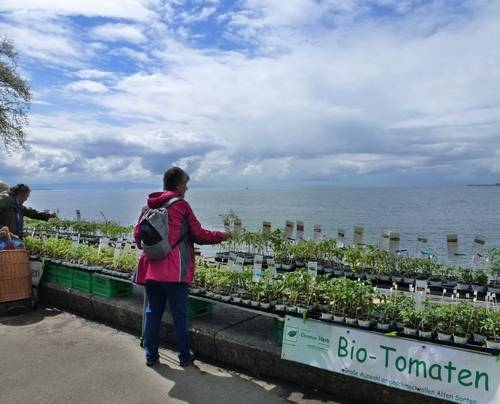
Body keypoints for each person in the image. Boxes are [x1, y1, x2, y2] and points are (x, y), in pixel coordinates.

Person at [134, 167, 230, 367]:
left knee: (153, 312)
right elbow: (199, 235)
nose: (186, 188)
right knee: (179, 315)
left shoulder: (149, 207)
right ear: (178, 185)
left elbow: (138, 237)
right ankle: (184, 356)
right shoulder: (181, 206)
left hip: (151, 269)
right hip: (175, 271)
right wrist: (222, 235)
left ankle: (150, 355)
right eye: (185, 184)